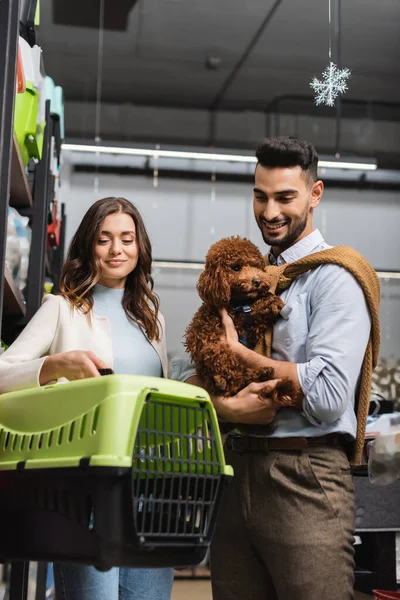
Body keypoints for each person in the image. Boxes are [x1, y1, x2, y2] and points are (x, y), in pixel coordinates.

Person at [196, 137, 377, 600]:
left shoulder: (336, 277)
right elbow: (191, 369)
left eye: (284, 197)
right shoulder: (245, 277)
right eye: (260, 196)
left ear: (315, 194)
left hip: (304, 476)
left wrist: (246, 357)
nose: (269, 211)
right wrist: (227, 406)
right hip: (235, 475)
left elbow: (330, 395)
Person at [0, 197, 176, 600]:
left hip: (150, 494)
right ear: (88, 246)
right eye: (104, 239)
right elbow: (2, 373)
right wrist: (55, 366)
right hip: (88, 495)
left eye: (127, 239)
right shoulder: (61, 310)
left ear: (139, 247)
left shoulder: (152, 320)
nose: (117, 250)